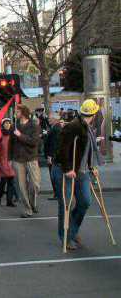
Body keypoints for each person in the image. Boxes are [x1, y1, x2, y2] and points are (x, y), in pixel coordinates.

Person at [54, 99, 102, 250]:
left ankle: (72, 231)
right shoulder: (74, 126)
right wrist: (68, 168)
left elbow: (86, 150)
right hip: (65, 169)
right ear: (94, 114)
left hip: (81, 170)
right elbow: (63, 149)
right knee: (67, 204)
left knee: (85, 202)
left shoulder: (88, 127)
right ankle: (65, 237)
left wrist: (91, 166)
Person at [11, 104, 42, 218]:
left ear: (23, 112)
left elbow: (34, 141)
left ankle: (32, 203)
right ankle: (27, 209)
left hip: (31, 158)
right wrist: (10, 158)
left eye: (17, 112)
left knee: (35, 184)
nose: (15, 114)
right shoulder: (15, 126)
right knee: (21, 186)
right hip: (18, 159)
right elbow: (11, 143)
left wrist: (20, 136)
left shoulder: (33, 125)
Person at [0, 119, 17, 207]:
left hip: (11, 161)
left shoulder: (13, 135)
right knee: (3, 181)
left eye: (9, 123)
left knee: (11, 181)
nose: (8, 124)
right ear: (2, 125)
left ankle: (9, 201)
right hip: (2, 161)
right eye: (6, 123)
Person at [45, 113, 64, 200]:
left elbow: (54, 144)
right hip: (54, 156)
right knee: (54, 176)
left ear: (55, 119)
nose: (49, 120)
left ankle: (57, 194)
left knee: (54, 176)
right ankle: (56, 193)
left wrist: (50, 156)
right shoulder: (55, 128)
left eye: (50, 119)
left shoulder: (56, 129)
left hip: (53, 157)